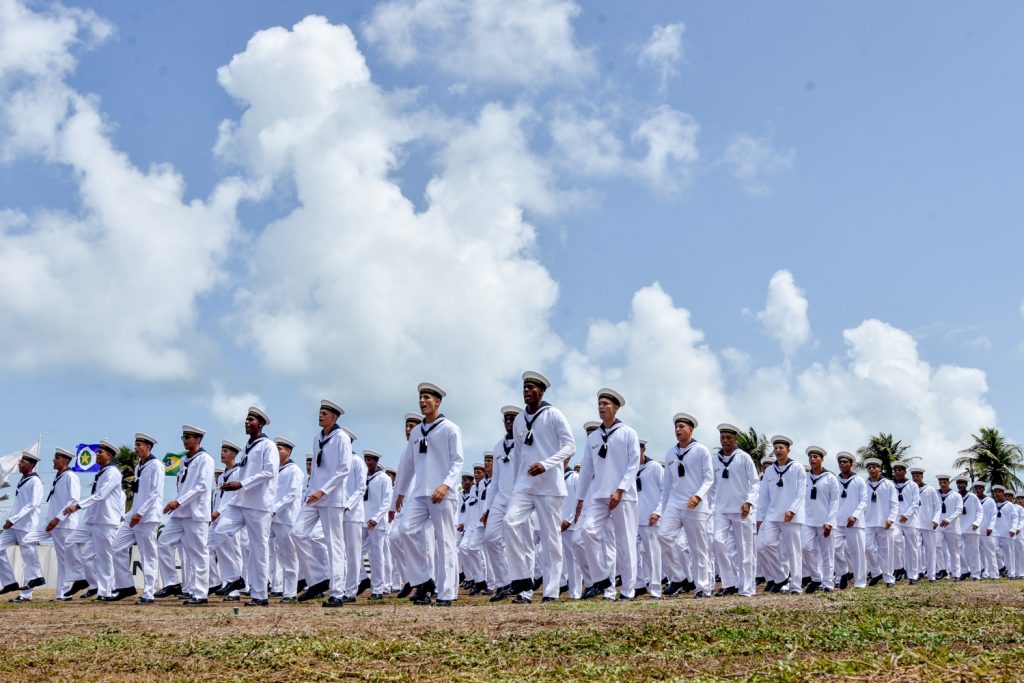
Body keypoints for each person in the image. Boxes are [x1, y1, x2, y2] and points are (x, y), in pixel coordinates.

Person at [503, 371, 575, 604]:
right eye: (524, 387)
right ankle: (523, 583)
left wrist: (546, 464)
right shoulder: (519, 420)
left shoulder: (553, 415)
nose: (527, 390)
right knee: (510, 522)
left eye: (532, 387)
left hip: (550, 486)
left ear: (542, 392)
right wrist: (515, 484)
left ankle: (551, 591)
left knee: (550, 539)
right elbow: (519, 455)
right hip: (524, 483)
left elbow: (570, 446)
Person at [394, 383, 464, 606]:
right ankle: (424, 579)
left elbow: (458, 461)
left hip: (442, 493)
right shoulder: (416, 431)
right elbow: (407, 465)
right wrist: (400, 492)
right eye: (420, 398)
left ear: (438, 402)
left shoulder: (450, 428)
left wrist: (446, 485)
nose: (422, 402)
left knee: (445, 543)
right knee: (404, 531)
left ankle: (447, 593)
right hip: (420, 492)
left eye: (426, 398)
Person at [577, 389, 640, 601]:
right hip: (599, 495)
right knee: (587, 532)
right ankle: (602, 580)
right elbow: (586, 470)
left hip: (623, 496)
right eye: (599, 404)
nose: (601, 407)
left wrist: (621, 489)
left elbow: (634, 464)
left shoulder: (628, 433)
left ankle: (628, 591)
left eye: (605, 403)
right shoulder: (593, 437)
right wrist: (579, 498)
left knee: (625, 543)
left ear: (616, 407)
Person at [214, 407, 278, 607]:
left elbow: (269, 472)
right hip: (240, 502)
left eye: (250, 420)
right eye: (246, 420)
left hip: (259, 505)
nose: (246, 423)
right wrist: (236, 486)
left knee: (259, 549)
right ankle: (235, 578)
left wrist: (241, 484)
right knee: (220, 533)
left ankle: (260, 595)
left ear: (261, 424)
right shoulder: (248, 446)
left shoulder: (268, 445)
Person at [293, 400, 351, 606]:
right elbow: (317, 469)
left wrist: (323, 491)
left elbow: (344, 469)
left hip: (332, 498)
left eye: (324, 413)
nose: (320, 416)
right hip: (314, 497)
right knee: (297, 532)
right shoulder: (317, 438)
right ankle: (318, 579)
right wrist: (312, 492)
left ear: (334, 417)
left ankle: (337, 592)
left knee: (334, 544)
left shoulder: (341, 437)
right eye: (319, 412)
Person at [653, 413, 714, 598]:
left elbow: (709, 478)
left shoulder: (701, 450)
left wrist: (698, 495)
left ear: (691, 429)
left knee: (698, 548)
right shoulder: (670, 453)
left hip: (695, 503)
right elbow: (667, 485)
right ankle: (678, 577)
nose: (678, 430)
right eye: (676, 427)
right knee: (663, 535)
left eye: (681, 427)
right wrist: (662, 511)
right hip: (675, 501)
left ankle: (703, 587)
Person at [157, 425, 214, 605]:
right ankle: (173, 583)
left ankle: (200, 593)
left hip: (195, 513)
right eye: (183, 437)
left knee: (198, 553)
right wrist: (177, 501)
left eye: (188, 437)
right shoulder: (183, 461)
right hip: (180, 513)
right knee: (163, 543)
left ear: (198, 439)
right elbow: (182, 486)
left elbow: (202, 486)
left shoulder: (205, 459)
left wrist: (178, 501)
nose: (185, 440)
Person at [63, 440, 123, 600]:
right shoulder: (101, 472)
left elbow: (101, 494)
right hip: (92, 519)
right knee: (70, 543)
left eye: (101, 452)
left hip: (106, 520)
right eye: (98, 452)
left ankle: (106, 591)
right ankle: (81, 578)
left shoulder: (113, 473)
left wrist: (78, 506)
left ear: (109, 455)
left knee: (104, 557)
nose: (97, 454)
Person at [111, 433, 164, 603]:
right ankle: (125, 586)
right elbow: (138, 494)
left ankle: (149, 593)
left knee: (148, 555)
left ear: (148, 447)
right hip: (133, 516)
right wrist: (128, 514)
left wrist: (140, 513)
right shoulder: (138, 467)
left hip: (147, 517)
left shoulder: (156, 465)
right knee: (116, 548)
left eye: (139, 444)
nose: (136, 448)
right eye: (135, 444)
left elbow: (155, 493)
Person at [710, 424, 759, 597]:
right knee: (718, 542)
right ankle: (728, 583)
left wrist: (749, 502)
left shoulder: (743, 458)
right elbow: (712, 485)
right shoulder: (714, 459)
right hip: (722, 509)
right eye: (722, 438)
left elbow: (755, 482)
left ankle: (746, 588)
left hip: (741, 510)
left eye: (728, 438)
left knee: (745, 550)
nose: (725, 441)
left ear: (735, 439)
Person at [756, 436, 805, 594]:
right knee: (765, 545)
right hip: (772, 514)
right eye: (775, 448)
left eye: (781, 448)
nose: (778, 450)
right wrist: (759, 518)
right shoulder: (769, 470)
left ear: (788, 450)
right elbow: (763, 497)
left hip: (792, 516)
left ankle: (796, 586)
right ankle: (781, 576)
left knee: (793, 551)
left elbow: (801, 492)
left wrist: (793, 510)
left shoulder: (797, 467)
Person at [482, 406, 520, 602]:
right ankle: (504, 583)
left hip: (520, 498)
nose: (508, 422)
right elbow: (494, 479)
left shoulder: (524, 443)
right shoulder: (498, 446)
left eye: (512, 418)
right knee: (490, 538)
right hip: (500, 498)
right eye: (506, 419)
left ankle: (523, 586)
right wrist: (487, 508)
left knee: (520, 543)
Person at [40, 448, 86, 601]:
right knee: (63, 559)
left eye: (57, 458)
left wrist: (57, 518)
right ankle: (62, 593)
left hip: (64, 524)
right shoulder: (59, 476)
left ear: (65, 461)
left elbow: (73, 500)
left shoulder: (71, 476)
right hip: (55, 523)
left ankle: (67, 591)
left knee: (66, 559)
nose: (53, 460)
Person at [0, 451, 44, 602]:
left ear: (31, 465)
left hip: (26, 524)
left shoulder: (35, 481)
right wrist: (11, 519)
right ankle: (10, 582)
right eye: (20, 461)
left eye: (23, 462)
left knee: (28, 556)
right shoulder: (23, 479)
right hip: (14, 524)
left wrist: (13, 519)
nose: (19, 464)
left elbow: (33, 504)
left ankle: (26, 594)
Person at [801, 446, 839, 594]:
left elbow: (835, 502)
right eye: (810, 457)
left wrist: (830, 521)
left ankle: (828, 583)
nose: (812, 459)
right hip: (808, 520)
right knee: (805, 548)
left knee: (827, 553)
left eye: (816, 457)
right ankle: (816, 577)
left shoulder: (830, 478)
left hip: (825, 521)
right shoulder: (804, 477)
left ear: (822, 459)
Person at [271, 438, 303, 602]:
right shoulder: (276, 470)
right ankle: (281, 588)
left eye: (280, 449)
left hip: (287, 518)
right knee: (279, 556)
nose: (277, 452)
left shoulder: (294, 470)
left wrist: (274, 509)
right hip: (274, 518)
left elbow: (291, 494)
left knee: (289, 556)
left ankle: (290, 592)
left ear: (288, 452)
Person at [635, 439, 665, 599]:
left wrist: (658, 512)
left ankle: (655, 588)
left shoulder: (655, 468)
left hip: (650, 518)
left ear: (643, 449)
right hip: (633, 518)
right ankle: (638, 584)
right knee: (631, 553)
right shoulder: (629, 468)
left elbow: (665, 491)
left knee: (653, 554)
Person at [360, 449, 392, 600]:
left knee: (377, 556)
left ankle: (378, 589)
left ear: (376, 462)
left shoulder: (384, 478)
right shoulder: (363, 477)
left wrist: (376, 518)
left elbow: (386, 501)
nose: (367, 463)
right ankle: (364, 578)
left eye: (370, 460)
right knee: (358, 552)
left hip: (377, 523)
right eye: (365, 459)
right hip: (362, 521)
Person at [834, 452, 868, 590]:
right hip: (837, 521)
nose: (843, 464)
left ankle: (860, 581)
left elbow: (864, 500)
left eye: (845, 462)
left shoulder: (859, 480)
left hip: (855, 522)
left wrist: (855, 515)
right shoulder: (834, 480)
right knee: (834, 548)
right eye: (840, 462)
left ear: (851, 464)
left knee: (857, 552)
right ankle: (843, 572)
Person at [862, 458, 897, 587]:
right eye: (869, 467)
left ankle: (889, 578)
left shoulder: (888, 484)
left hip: (884, 522)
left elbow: (894, 503)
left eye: (874, 467)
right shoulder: (864, 484)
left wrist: (891, 518)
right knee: (866, 547)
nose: (871, 469)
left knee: (886, 551)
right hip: (868, 522)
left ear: (879, 469)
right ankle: (876, 572)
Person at [890, 461, 921, 584]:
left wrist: (906, 515)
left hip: (911, 520)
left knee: (912, 548)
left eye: (900, 470)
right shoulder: (891, 484)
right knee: (894, 540)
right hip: (896, 519)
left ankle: (913, 575)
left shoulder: (912, 485)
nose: (897, 472)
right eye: (895, 470)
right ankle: (899, 568)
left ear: (904, 471)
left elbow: (916, 502)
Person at [910, 466, 940, 582]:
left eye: (918, 476)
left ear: (922, 477)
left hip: (928, 523)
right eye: (913, 476)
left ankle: (932, 575)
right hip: (915, 523)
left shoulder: (930, 489)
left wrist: (935, 520)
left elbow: (937, 507)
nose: (915, 478)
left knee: (930, 550)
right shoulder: (910, 488)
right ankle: (917, 573)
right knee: (915, 549)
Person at [955, 476, 984, 581]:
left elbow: (980, 511)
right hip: (958, 528)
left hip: (972, 528)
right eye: (959, 484)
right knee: (958, 550)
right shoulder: (955, 496)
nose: (960, 486)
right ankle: (965, 570)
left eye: (963, 484)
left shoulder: (972, 497)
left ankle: (976, 574)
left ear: (966, 485)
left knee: (973, 552)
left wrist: (977, 522)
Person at [936, 474, 963, 580]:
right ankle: (942, 570)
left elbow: (959, 510)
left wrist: (949, 519)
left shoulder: (956, 495)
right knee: (937, 546)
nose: (942, 485)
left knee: (954, 551)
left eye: (944, 482)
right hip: (939, 525)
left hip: (952, 526)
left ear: (948, 483)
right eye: (940, 483)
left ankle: (956, 573)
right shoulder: (936, 494)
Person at [973, 482, 998, 579]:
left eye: (980, 488)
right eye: (976, 488)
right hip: (976, 530)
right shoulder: (973, 499)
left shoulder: (990, 501)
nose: (978, 490)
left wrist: (990, 527)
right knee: (978, 552)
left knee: (990, 552)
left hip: (987, 530)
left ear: (983, 489)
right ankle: (984, 572)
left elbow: (993, 515)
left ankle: (994, 574)